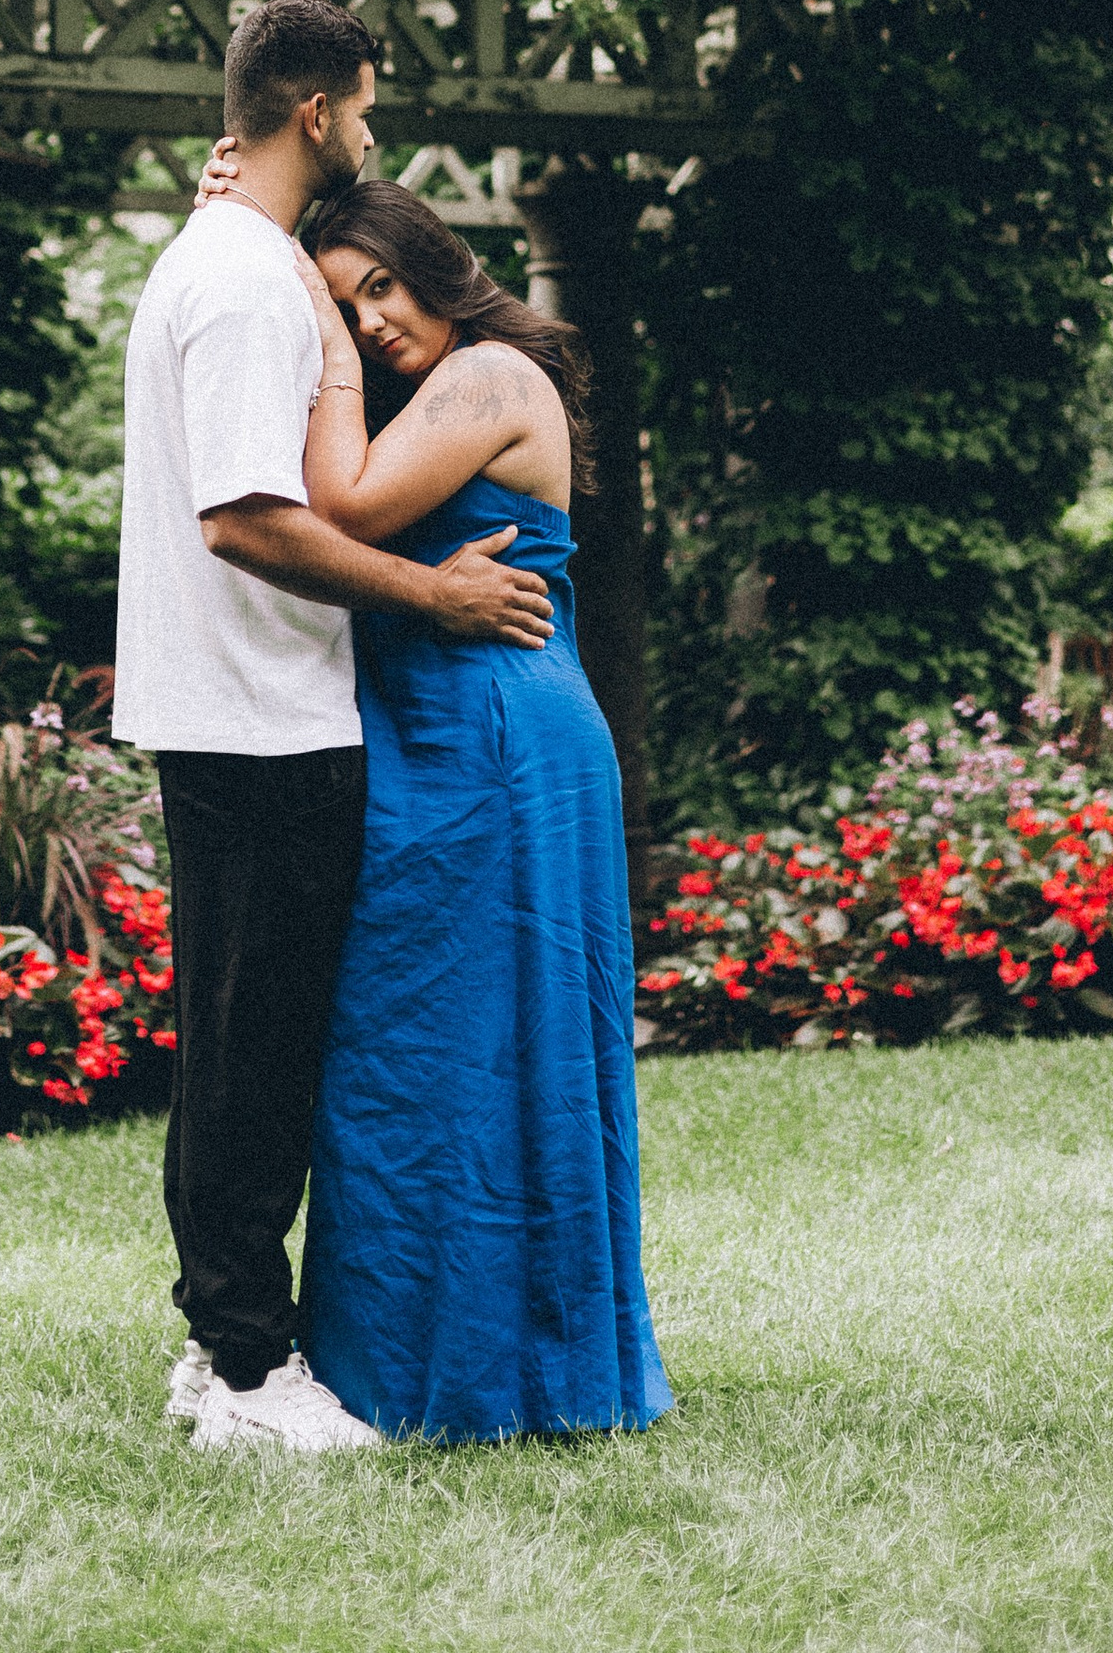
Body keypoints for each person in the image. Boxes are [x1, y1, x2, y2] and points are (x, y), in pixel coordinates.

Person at [111, 0, 555, 1456]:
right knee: (259, 1057)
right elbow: (247, 519)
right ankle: (250, 1374)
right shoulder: (247, 280)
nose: (371, 133)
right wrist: (432, 595)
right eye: (363, 108)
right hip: (261, 717)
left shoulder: (224, 256)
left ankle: (218, 1341)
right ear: (316, 112)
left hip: (225, 708)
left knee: (231, 1047)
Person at [288, 177, 673, 1446]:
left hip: (500, 738)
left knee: (506, 1045)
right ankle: (408, 1363)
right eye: (346, 306)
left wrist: (312, 326)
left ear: (436, 266)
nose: (370, 321)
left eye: (379, 288)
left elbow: (341, 510)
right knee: (412, 1044)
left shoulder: (491, 376)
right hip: (428, 739)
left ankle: (529, 1372)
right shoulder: (425, 394)